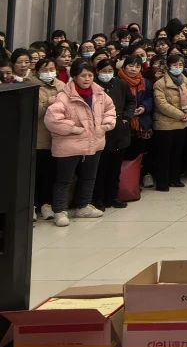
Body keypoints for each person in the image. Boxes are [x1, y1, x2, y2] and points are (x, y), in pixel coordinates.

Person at [44, 62, 117, 227]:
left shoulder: (100, 94)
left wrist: (105, 125)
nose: (87, 79)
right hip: (69, 145)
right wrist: (74, 129)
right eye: (83, 75)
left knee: (89, 176)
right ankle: (60, 210)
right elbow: (52, 120)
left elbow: (110, 110)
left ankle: (83, 205)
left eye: (90, 75)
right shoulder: (64, 96)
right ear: (75, 76)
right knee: (65, 179)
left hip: (94, 142)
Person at [92, 60, 134, 209]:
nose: (107, 74)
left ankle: (112, 196)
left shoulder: (121, 84)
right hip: (101, 131)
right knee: (100, 168)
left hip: (119, 131)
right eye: (104, 71)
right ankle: (98, 198)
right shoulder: (93, 85)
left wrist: (126, 117)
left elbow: (131, 101)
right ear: (97, 71)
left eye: (110, 71)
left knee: (115, 168)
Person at [151, 53, 187, 191]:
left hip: (182, 122)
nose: (178, 67)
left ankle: (175, 179)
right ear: (168, 66)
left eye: (180, 65)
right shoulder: (160, 83)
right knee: (164, 155)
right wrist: (180, 114)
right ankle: (162, 182)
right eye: (175, 65)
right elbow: (161, 104)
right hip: (165, 124)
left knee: (177, 153)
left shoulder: (185, 81)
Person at [31, 59, 66, 221]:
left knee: (50, 174)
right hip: (38, 137)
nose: (49, 72)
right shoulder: (32, 86)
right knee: (35, 174)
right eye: (45, 69)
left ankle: (46, 204)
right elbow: (33, 113)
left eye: (51, 69)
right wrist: (47, 104)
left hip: (57, 138)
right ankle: (32, 205)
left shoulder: (62, 85)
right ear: (37, 71)